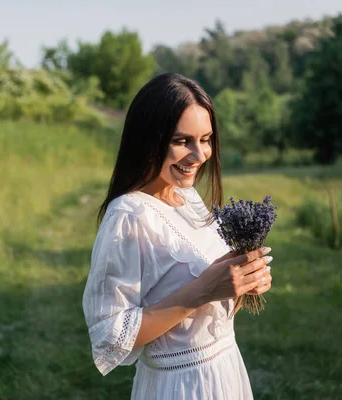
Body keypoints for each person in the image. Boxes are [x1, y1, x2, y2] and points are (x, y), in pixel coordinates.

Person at [82, 73, 273, 399]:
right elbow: (110, 333)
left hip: (226, 372)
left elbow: (207, 316)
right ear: (148, 140)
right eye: (182, 141)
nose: (199, 155)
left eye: (206, 139)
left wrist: (241, 283)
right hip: (180, 386)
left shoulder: (189, 198)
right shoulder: (129, 215)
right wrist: (202, 290)